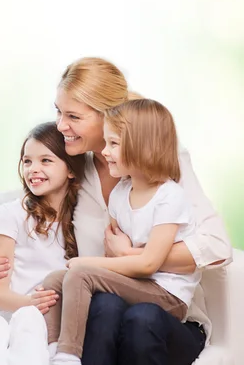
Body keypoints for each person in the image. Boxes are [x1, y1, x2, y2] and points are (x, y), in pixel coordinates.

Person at [0, 57, 232, 365]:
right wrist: (0, 263)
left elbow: (217, 246)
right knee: (105, 307)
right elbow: (31, 211)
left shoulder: (162, 163)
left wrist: (132, 255)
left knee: (140, 317)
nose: (61, 126)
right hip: (102, 312)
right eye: (58, 112)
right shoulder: (73, 169)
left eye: (73, 116)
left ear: (109, 116)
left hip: (163, 317)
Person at [41, 99, 201, 365]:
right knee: (55, 280)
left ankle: (68, 355)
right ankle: (52, 346)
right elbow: (113, 263)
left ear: (142, 146)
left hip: (166, 294)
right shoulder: (120, 193)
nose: (104, 152)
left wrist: (83, 264)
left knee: (78, 273)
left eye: (113, 144)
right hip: (136, 285)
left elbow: (149, 263)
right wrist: (88, 266)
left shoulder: (169, 197)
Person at [0, 122, 85, 365]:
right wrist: (31, 303)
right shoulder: (11, 214)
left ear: (71, 169)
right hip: (1, 313)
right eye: (27, 161)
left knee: (30, 324)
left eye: (45, 161)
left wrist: (35, 309)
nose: (33, 169)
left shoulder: (82, 220)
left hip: (39, 320)